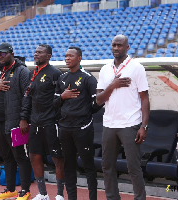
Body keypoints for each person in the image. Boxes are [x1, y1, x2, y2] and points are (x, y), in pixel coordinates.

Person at [96, 35, 150, 200]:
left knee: (133, 167)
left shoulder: (136, 68)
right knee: (107, 166)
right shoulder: (105, 69)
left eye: (119, 45)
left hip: (130, 123)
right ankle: (113, 197)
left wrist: (144, 126)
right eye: (114, 45)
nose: (116, 48)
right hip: (109, 124)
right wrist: (112, 86)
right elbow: (98, 100)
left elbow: (145, 98)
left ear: (127, 47)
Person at [0, 43, 32, 200]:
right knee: (6, 156)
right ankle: (10, 189)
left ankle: (25, 190)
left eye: (3, 54)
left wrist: (24, 119)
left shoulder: (22, 71)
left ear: (11, 53)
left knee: (20, 156)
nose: (0, 56)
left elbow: (27, 96)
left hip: (15, 123)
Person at [53, 47, 102, 200]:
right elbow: (54, 104)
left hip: (82, 128)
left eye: (71, 56)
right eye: (65, 55)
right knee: (69, 166)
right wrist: (62, 96)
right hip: (65, 128)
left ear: (79, 58)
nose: (67, 58)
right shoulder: (62, 78)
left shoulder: (88, 78)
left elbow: (98, 102)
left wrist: (85, 113)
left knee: (88, 166)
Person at [20, 44, 65, 200]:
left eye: (40, 52)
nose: (36, 54)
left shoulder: (55, 74)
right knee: (34, 156)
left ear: (48, 56)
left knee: (57, 158)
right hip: (35, 122)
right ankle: (43, 193)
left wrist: (56, 118)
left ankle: (59, 194)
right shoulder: (33, 74)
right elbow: (27, 98)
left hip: (51, 122)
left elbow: (61, 99)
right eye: (35, 52)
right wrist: (23, 118)